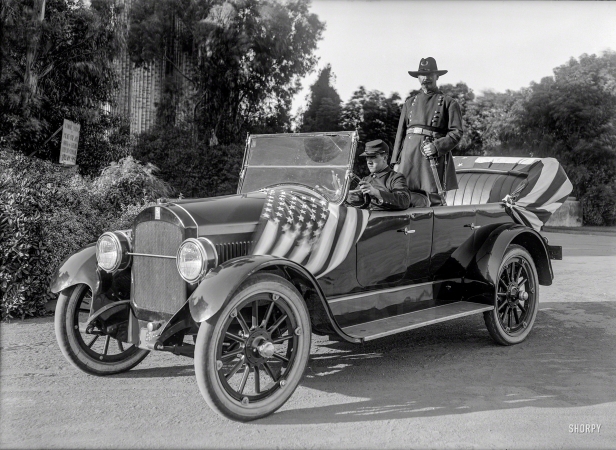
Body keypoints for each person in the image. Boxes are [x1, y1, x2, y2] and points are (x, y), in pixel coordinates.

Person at [391, 57, 463, 206]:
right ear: (418, 77)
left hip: (431, 159)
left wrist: (436, 147)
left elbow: (456, 132)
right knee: (405, 197)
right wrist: (396, 162)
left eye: (430, 74)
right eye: (422, 75)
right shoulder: (409, 103)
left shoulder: (449, 102)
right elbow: (400, 135)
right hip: (408, 159)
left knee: (434, 200)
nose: (426, 78)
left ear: (437, 76)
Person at [347, 139, 426, 210]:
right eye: (367, 157)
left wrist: (376, 192)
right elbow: (355, 202)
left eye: (373, 157)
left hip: (388, 224)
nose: (369, 161)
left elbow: (404, 201)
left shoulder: (395, 178)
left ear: (384, 158)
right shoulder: (365, 180)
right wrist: (344, 189)